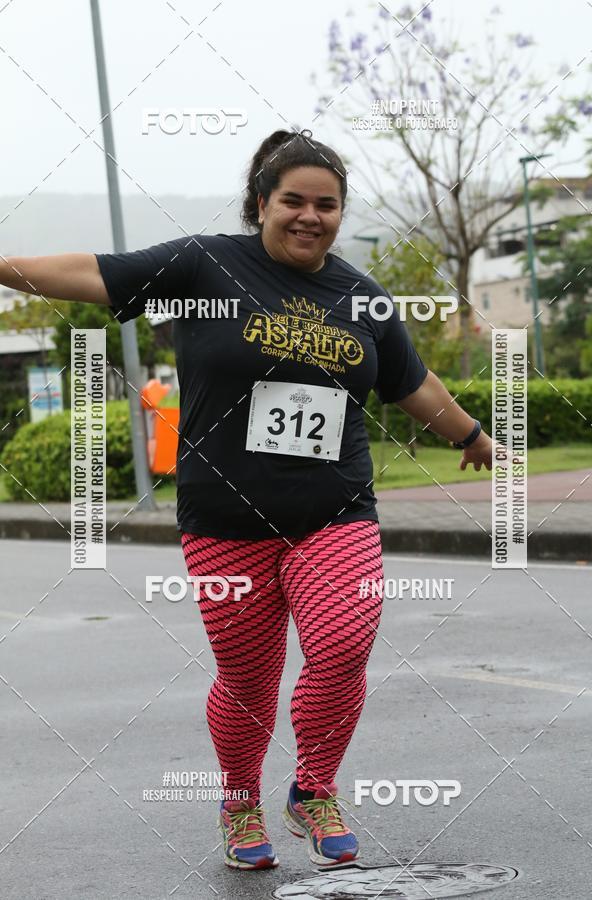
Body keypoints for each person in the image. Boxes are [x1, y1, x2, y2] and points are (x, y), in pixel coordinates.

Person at [0, 128, 493, 872]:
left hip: (335, 511)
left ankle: (313, 788)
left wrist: (473, 433)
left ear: (340, 212)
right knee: (249, 680)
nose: (310, 216)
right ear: (261, 203)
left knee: (343, 642)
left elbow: (410, 381)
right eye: (293, 200)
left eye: (327, 204)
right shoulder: (203, 265)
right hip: (225, 520)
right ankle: (238, 802)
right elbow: (91, 273)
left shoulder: (362, 296)